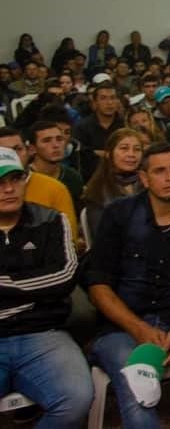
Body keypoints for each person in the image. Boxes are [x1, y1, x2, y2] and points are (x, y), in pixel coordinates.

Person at [85, 143, 170, 428]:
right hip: (122, 325)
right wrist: (138, 328)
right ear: (144, 178)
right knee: (134, 379)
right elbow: (98, 286)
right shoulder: (118, 215)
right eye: (160, 171)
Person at [0, 146, 94, 427]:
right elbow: (49, 283)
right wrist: (35, 294)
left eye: (15, 179)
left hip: (43, 334)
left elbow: (64, 277)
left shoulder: (52, 220)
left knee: (76, 398)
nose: (8, 189)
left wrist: (4, 286)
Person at [0, 127, 78, 245]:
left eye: (17, 149)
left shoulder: (55, 189)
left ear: (29, 150)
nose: (9, 189)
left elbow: (69, 242)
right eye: (3, 151)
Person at [81, 128, 144, 244]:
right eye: (124, 148)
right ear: (109, 154)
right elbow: (103, 239)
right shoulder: (96, 192)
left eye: (137, 149)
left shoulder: (150, 184)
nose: (131, 154)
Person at [25, 121, 84, 216]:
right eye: (47, 140)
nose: (55, 145)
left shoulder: (73, 177)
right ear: (32, 149)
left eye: (59, 139)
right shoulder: (24, 179)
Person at [73, 82, 125, 180]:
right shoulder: (82, 127)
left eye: (113, 98)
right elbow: (80, 155)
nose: (109, 103)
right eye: (103, 98)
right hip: (91, 178)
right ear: (95, 102)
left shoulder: (125, 125)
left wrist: (98, 153)